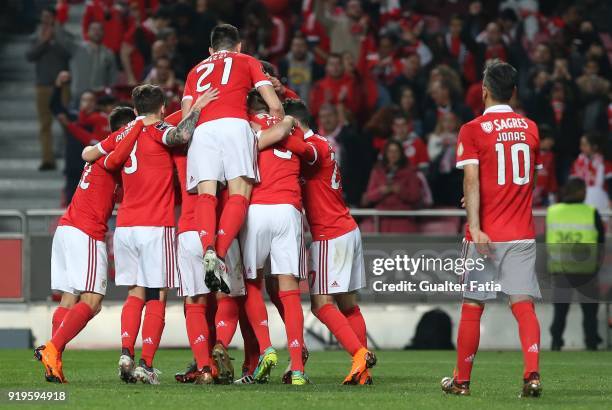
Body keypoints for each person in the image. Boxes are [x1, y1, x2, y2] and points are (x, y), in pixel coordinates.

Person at [83, 84, 218, 384]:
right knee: (158, 294)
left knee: (134, 293)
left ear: (134, 110)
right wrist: (196, 108)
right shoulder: (158, 130)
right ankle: (145, 364)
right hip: (155, 226)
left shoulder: (123, 133)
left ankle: (126, 351)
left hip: (126, 226)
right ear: (160, 108)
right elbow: (180, 135)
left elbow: (89, 152)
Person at [441, 60, 543, 398]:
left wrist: (475, 222)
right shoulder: (531, 128)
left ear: (484, 91)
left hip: (484, 234)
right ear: (513, 92)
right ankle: (531, 375)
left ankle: (462, 382)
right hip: (522, 232)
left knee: (473, 305)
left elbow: (472, 177)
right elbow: (526, 180)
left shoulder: (472, 129)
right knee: (523, 304)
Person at [34, 107, 143, 384]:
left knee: (70, 300)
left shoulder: (100, 152)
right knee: (92, 301)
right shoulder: (114, 154)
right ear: (128, 130)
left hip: (67, 227)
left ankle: (54, 361)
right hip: (86, 231)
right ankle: (52, 348)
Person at [181, 23, 283, 295]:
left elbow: (184, 120)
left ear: (211, 50)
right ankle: (222, 255)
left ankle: (209, 250)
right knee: (239, 194)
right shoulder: (247, 60)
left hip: (202, 130)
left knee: (206, 195)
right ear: (239, 46)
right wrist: (278, 120)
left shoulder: (194, 71)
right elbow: (273, 104)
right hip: (236, 125)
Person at [283, 99, 377, 385]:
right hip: (347, 227)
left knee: (321, 305)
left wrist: (268, 133)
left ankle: (360, 353)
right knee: (348, 306)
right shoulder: (326, 143)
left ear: (295, 125)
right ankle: (363, 372)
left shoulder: (313, 146)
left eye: (286, 126)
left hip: (329, 235)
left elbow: (299, 148)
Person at [241, 91, 313, 384]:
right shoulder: (291, 124)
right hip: (288, 209)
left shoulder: (245, 123)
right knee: (290, 290)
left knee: (251, 283)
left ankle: (266, 347)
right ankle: (297, 367)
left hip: (256, 207)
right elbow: (308, 154)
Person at [546, 178, 604, 351]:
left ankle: (556, 342)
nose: (586, 193)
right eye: (584, 189)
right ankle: (591, 343)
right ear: (580, 192)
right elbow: (600, 241)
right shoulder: (591, 212)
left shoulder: (553, 211)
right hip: (586, 270)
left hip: (560, 268)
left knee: (560, 310)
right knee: (590, 311)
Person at [26, 7, 72, 171]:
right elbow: (29, 56)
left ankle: (69, 158)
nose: (45, 20)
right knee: (45, 125)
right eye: (43, 17)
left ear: (54, 18)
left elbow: (69, 53)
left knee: (66, 123)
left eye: (48, 17)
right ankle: (47, 159)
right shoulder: (35, 36)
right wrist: (44, 41)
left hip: (62, 86)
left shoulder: (63, 35)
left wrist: (54, 39)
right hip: (43, 86)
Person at [361, 140, 423, 233]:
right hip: (381, 222)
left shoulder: (410, 172)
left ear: (401, 153)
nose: (393, 154)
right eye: (390, 151)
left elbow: (416, 196)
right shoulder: (377, 171)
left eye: (396, 151)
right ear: (385, 153)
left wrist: (400, 191)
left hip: (403, 222)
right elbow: (370, 196)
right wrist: (381, 191)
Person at [68, 21, 118, 105]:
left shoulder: (108, 53)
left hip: (99, 98)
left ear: (103, 33)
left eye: (99, 30)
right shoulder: (76, 48)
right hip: (78, 97)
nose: (96, 32)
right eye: (93, 29)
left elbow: (112, 78)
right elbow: (61, 38)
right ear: (88, 32)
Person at [569, 133, 612, 219]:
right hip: (581, 202)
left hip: (600, 201)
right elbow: (573, 186)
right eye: (581, 145)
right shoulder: (577, 163)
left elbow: (611, 185)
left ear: (595, 147)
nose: (581, 148)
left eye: (585, 145)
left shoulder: (604, 164)